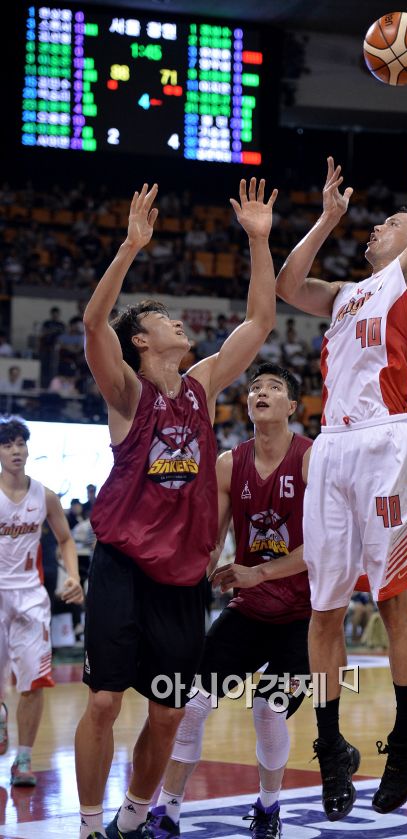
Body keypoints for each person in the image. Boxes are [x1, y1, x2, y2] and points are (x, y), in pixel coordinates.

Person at [75, 177, 278, 839]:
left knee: (166, 713)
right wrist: (131, 247)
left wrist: (258, 241)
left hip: (184, 579)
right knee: (104, 698)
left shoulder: (201, 385)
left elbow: (260, 321)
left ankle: (132, 819)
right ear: (143, 339)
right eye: (165, 320)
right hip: (123, 563)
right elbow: (93, 323)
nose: (180, 324)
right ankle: (85, 825)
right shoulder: (129, 391)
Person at [275, 32, 407, 820]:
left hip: (385, 440)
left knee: (397, 602)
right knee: (325, 610)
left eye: (392, 219)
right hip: (331, 452)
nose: (384, 223)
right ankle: (332, 740)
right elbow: (286, 283)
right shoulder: (346, 292)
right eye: (377, 222)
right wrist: (326, 217)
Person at [152, 363, 311, 839]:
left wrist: (257, 570)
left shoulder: (311, 457)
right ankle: (169, 810)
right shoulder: (228, 463)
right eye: (255, 387)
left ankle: (268, 808)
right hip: (248, 608)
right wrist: (179, 589)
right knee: (193, 702)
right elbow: (211, 542)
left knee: (267, 709)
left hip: (303, 614)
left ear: (292, 407)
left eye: (274, 388)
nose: (261, 392)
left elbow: (325, 545)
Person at [0, 417, 83, 784]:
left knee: (33, 682)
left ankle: (23, 760)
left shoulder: (44, 495)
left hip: (32, 598)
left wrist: (73, 576)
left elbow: (65, 539)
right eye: (7, 445)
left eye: (20, 443)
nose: (16, 450)